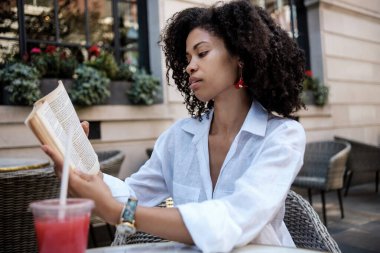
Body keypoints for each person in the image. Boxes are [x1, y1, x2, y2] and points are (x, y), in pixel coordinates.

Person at [42, 1, 306, 252]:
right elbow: (134, 193)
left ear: (241, 57)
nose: (190, 66)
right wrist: (86, 172)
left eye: (202, 53)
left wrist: (122, 214)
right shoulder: (179, 137)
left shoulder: (282, 137)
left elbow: (233, 219)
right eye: (188, 57)